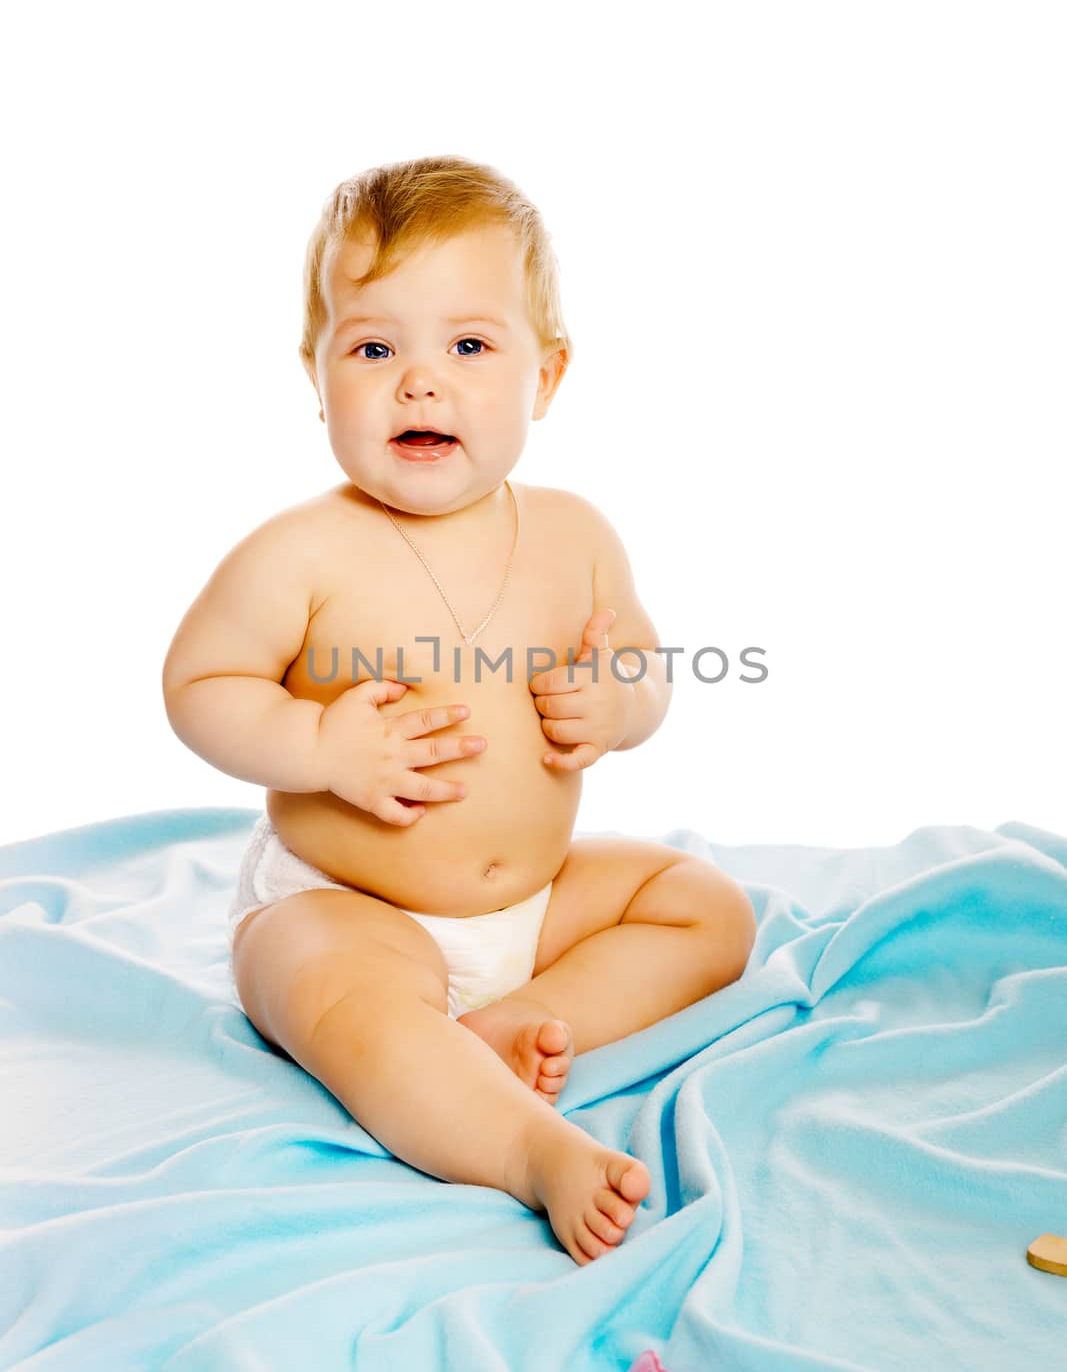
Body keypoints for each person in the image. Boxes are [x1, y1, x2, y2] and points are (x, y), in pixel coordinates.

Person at [162, 154, 756, 1266]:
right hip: (351, 903)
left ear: (548, 375)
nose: (418, 382)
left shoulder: (576, 535)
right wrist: (319, 744)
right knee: (349, 1003)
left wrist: (618, 704)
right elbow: (197, 687)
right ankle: (526, 1146)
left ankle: (496, 1034)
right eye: (374, 347)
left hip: (531, 909)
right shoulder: (302, 551)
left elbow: (644, 664)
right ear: (317, 371)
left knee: (703, 906)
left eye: (468, 346)